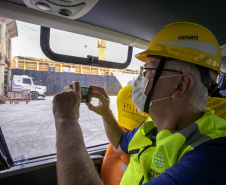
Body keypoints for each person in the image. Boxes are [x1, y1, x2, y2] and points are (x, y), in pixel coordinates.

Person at [53, 22, 226, 185]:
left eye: (148, 70)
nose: (140, 78)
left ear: (180, 85)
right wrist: (105, 112)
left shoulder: (213, 155)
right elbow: (119, 143)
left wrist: (65, 119)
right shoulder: (154, 126)